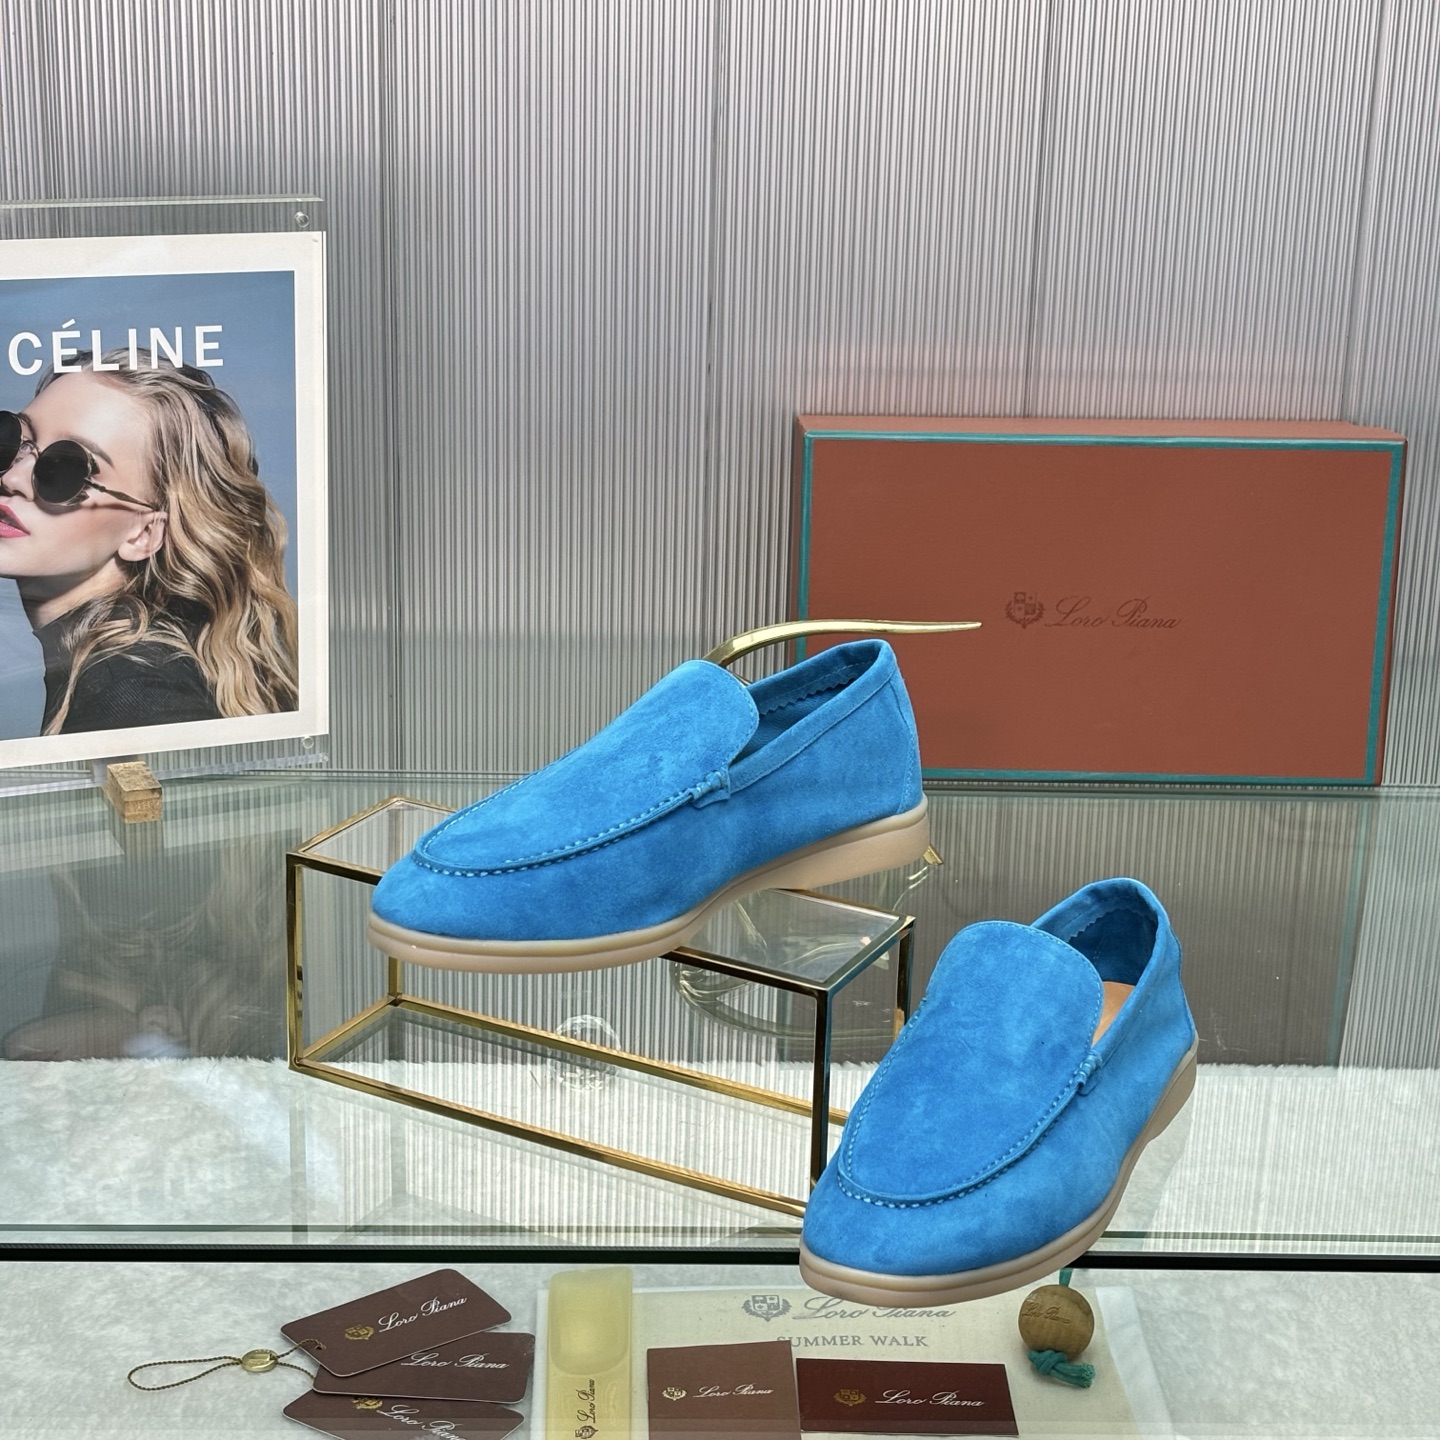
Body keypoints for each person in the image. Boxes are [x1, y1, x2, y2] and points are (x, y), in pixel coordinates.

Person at [0, 354, 297, 734]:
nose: (13, 478)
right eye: (16, 441)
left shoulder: (134, 696)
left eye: (67, 468)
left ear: (143, 534)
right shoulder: (114, 669)